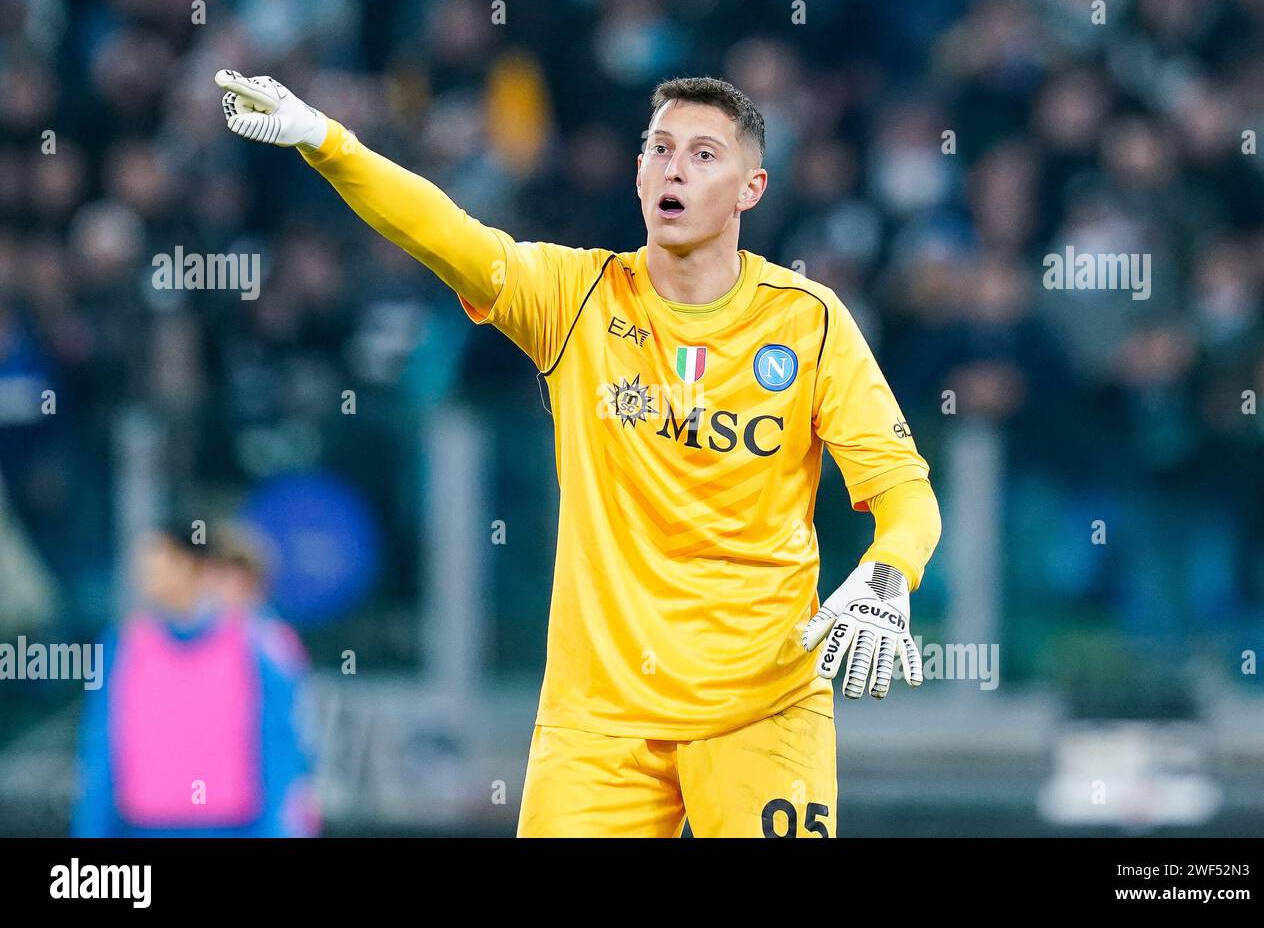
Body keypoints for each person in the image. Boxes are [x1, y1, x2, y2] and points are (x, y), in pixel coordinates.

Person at [215, 70, 941, 837]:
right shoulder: (578, 298)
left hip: (763, 706)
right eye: (658, 149)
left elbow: (904, 487)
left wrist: (887, 573)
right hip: (600, 717)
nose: (673, 169)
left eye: (702, 154)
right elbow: (447, 234)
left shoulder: (809, 322)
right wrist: (325, 140)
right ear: (636, 173)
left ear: (750, 188)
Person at [72, 522, 318, 837]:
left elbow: (281, 748)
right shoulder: (123, 646)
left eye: (161, 562)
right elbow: (101, 747)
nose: (148, 576)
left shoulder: (257, 645)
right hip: (146, 828)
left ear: (194, 565)